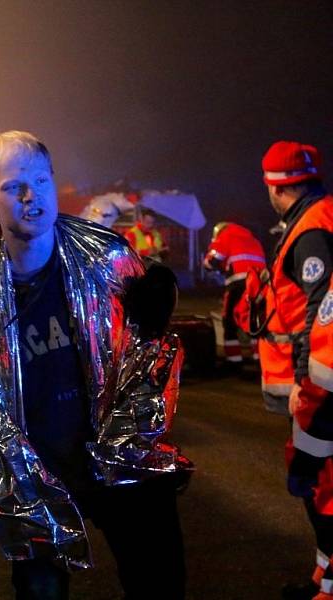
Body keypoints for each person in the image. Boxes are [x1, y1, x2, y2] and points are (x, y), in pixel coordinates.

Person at [0, 131, 189, 599]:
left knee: (158, 579)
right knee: (40, 591)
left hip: (113, 457)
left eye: (42, 181)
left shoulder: (105, 259)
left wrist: (160, 296)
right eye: (14, 187)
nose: (33, 197)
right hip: (33, 478)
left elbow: (150, 354)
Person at [239, 141, 333, 600]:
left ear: (275, 187)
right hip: (319, 382)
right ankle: (324, 578)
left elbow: (322, 313)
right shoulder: (321, 218)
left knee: (321, 486)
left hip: (320, 387)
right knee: (321, 489)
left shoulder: (310, 233)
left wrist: (305, 383)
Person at [203, 221, 266, 365]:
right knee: (255, 321)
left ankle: (234, 360)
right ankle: (258, 358)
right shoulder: (253, 240)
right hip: (259, 285)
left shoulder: (226, 235)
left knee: (229, 321)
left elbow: (213, 259)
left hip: (238, 283)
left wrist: (208, 265)